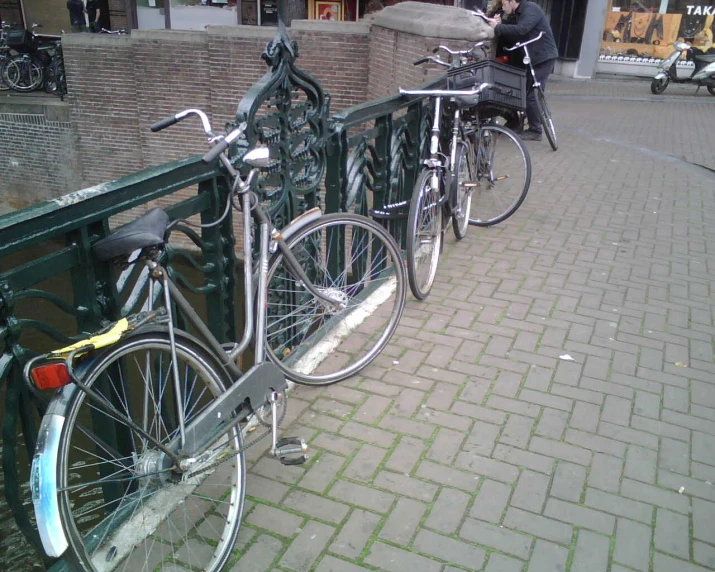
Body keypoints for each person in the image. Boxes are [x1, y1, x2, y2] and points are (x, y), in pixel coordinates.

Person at [488, 0, 558, 141]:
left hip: (543, 57)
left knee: (532, 95)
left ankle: (535, 130)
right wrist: (500, 24)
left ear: (512, 1)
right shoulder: (519, 12)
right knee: (523, 92)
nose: (502, 6)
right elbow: (515, 30)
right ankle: (517, 123)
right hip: (532, 58)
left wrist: (498, 27)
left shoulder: (530, 9)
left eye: (504, 3)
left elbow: (522, 30)